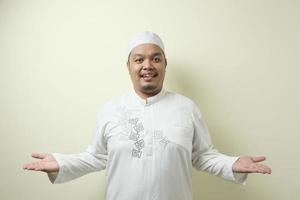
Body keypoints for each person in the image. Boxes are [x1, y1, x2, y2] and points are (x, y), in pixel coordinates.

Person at [23, 31, 272, 200]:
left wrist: (232, 163)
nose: (147, 66)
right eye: (138, 59)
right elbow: (96, 157)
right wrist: (61, 162)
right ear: (129, 66)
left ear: (165, 64)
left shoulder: (186, 108)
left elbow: (203, 156)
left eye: (156, 59)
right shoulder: (110, 109)